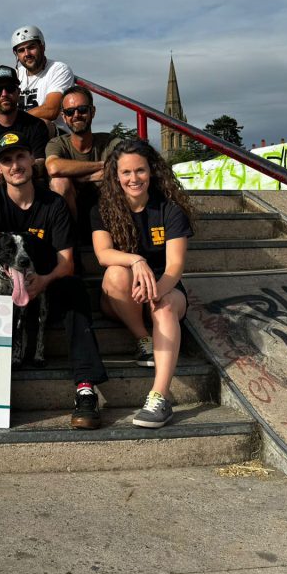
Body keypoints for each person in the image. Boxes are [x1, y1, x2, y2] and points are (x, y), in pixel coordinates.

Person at [0, 134, 107, 430]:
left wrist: (44, 281)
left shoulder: (53, 203)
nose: (15, 165)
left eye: (20, 157)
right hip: (0, 285)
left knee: (75, 287)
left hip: (45, 281)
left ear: (32, 162)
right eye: (7, 160)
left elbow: (66, 262)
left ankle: (86, 388)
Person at [91, 139, 194, 429]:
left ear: (152, 172)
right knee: (115, 271)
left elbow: (175, 267)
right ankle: (142, 339)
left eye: (140, 171)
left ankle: (159, 397)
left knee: (163, 307)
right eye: (126, 172)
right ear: (116, 175)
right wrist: (136, 260)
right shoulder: (105, 209)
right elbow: (102, 254)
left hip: (163, 288)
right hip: (122, 295)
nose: (133, 178)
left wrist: (155, 292)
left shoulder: (170, 210)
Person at [46, 85, 120, 224]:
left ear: (92, 111)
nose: (76, 115)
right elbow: (54, 167)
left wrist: (78, 176)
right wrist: (101, 166)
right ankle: (69, 239)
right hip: (72, 212)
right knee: (59, 182)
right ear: (63, 116)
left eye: (82, 110)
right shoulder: (57, 143)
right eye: (69, 112)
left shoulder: (110, 142)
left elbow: (124, 169)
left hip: (107, 210)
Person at [0, 66, 49, 190]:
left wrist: (14, 173)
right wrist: (10, 171)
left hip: (28, 183)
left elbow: (40, 163)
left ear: (18, 92)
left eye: (10, 89)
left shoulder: (36, 125)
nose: (4, 94)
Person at [12, 24, 74, 129]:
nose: (27, 54)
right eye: (21, 50)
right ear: (16, 55)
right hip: (19, 130)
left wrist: (12, 120)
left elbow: (51, 110)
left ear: (42, 47)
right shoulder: (14, 74)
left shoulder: (58, 69)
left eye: (31, 47)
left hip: (54, 134)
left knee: (42, 124)